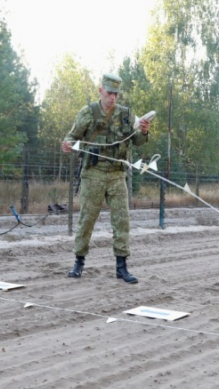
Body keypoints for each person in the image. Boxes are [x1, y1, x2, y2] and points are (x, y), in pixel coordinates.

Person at [61, 73, 152, 283]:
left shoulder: (126, 114)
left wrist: (144, 132)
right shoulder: (88, 113)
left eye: (116, 94)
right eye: (110, 93)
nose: (113, 97)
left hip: (117, 175)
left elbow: (137, 141)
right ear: (101, 90)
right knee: (87, 219)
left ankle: (122, 267)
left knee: (122, 221)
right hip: (93, 174)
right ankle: (78, 263)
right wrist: (67, 144)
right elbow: (72, 136)